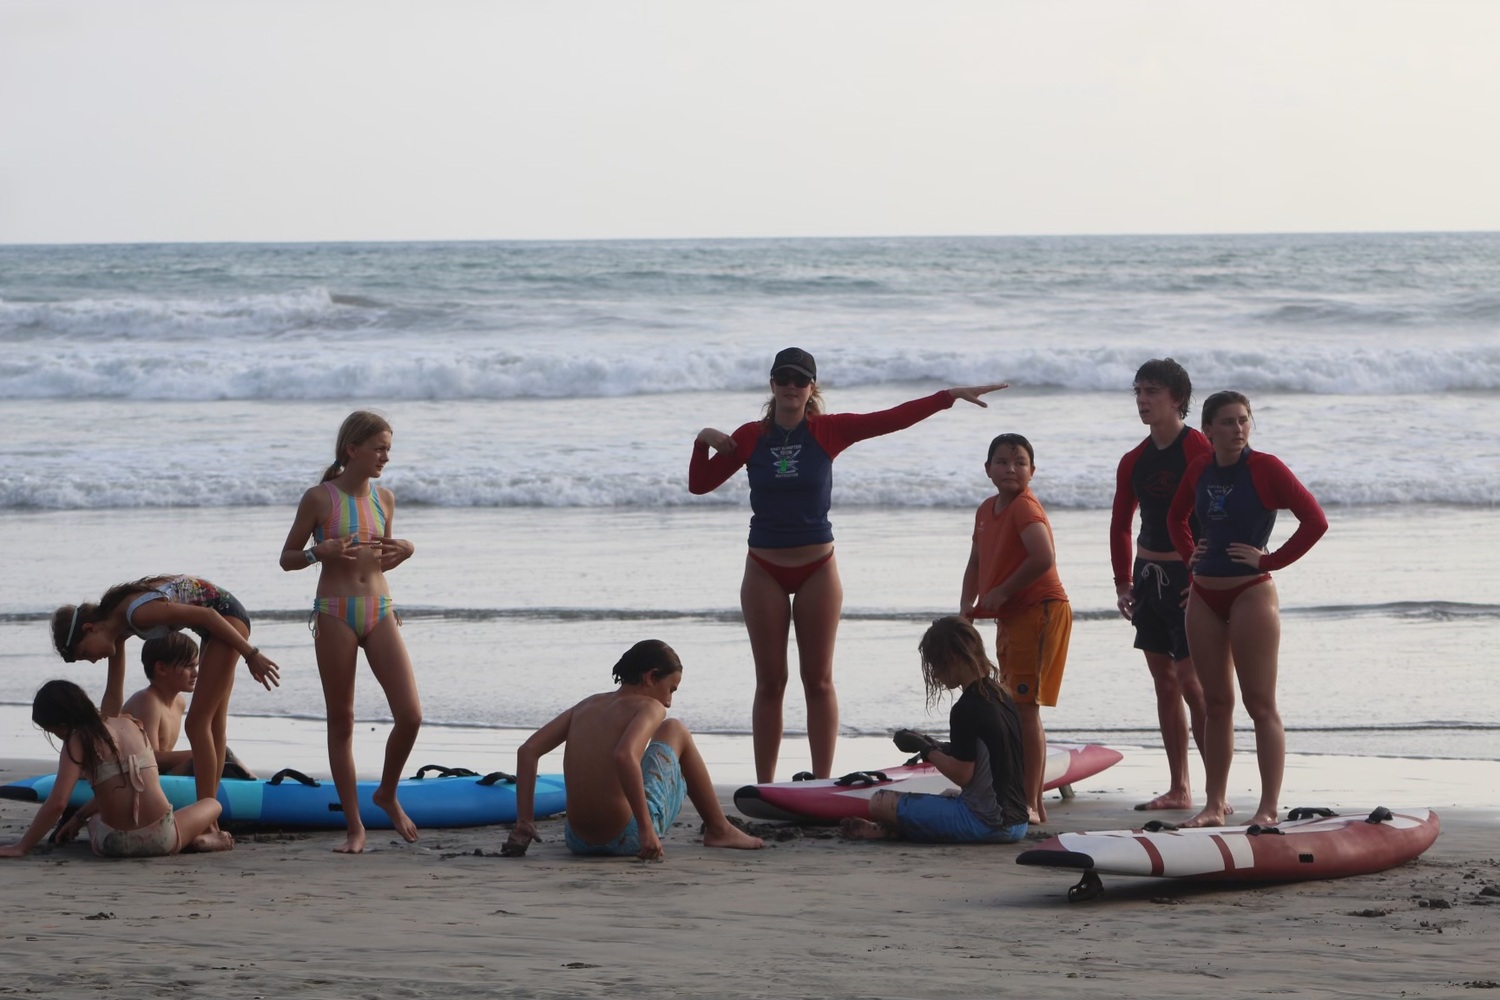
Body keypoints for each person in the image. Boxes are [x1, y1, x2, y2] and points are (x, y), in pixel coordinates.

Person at [689, 346, 1007, 782]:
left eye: (800, 380)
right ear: (772, 385)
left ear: (811, 388)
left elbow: (891, 418)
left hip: (818, 567)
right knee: (771, 682)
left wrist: (947, 395)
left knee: (818, 681)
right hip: (763, 568)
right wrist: (703, 439)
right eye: (784, 378)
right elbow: (699, 485)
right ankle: (765, 785)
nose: (791, 387)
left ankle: (821, 782)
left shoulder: (829, 431)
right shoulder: (749, 437)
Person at [1168, 390, 1327, 829]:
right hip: (1203, 594)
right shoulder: (1199, 467)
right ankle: (1214, 805)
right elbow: (1174, 517)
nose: (1238, 429)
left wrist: (1269, 560)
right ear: (1208, 430)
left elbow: (1315, 521)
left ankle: (1267, 807)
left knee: (1260, 704)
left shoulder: (1266, 468)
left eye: (1244, 420)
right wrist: (1189, 556)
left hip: (1251, 593)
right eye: (1228, 422)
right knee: (1216, 702)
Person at [279, 410, 422, 853]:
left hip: (380, 608)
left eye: (388, 449)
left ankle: (387, 792)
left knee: (411, 714)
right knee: (342, 720)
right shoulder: (319, 499)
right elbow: (287, 557)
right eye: (378, 448)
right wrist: (316, 553)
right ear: (352, 449)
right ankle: (355, 828)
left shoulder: (386, 499)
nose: (385, 456)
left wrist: (408, 549)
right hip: (335, 613)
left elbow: (384, 557)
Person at [504, 639, 765, 860]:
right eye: (670, 690)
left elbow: (528, 751)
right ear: (651, 676)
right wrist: (645, 830)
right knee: (676, 729)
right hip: (626, 838)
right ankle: (719, 828)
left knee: (648, 744)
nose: (669, 701)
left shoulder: (585, 705)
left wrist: (525, 820)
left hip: (577, 841)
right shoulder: (650, 707)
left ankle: (716, 828)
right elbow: (623, 756)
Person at [50, 574, 280, 819]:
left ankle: (208, 816)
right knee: (213, 723)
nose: (94, 660)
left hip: (225, 619)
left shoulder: (137, 613)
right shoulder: (119, 628)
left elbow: (209, 615)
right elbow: (113, 696)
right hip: (218, 625)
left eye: (86, 653)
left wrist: (251, 654)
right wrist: (98, 746)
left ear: (90, 628)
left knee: (197, 723)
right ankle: (210, 811)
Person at [1109, 358, 1212, 811]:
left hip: (1188, 580)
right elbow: (1119, 525)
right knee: (1164, 683)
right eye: (1138, 392)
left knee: (1193, 682)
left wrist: (1203, 577)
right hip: (1148, 581)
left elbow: (1214, 515)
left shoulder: (1199, 450)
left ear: (1177, 399)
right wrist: (1122, 582)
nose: (1142, 401)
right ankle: (1179, 787)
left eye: (1151, 392)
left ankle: (1218, 789)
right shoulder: (1134, 459)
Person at [960, 433, 1071, 824]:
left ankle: (1031, 804)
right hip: (1011, 615)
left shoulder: (1025, 507)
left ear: (1032, 471)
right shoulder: (986, 510)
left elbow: (1043, 557)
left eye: (1020, 462)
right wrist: (965, 610)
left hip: (1039, 611)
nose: (1011, 469)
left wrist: (1003, 590)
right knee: (1013, 703)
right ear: (987, 469)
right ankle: (1021, 794)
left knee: (1025, 708)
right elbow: (976, 561)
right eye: (1003, 462)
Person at [841, 616, 1029, 843]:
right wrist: (939, 746)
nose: (936, 675)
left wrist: (926, 749)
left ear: (951, 657)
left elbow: (963, 775)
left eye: (934, 665)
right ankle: (901, 829)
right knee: (946, 796)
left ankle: (896, 829)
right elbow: (986, 754)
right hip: (1018, 824)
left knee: (879, 801)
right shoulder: (1002, 696)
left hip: (986, 823)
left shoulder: (965, 708)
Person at [0, 680, 230, 858]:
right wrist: (78, 818)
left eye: (53, 731)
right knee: (212, 804)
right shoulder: (132, 724)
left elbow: (58, 802)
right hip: (163, 839)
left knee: (96, 820)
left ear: (62, 723)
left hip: (113, 844)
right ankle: (204, 839)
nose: (58, 737)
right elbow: (125, 784)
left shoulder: (77, 740)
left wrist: (22, 846)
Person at [121, 633, 256, 779]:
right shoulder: (148, 701)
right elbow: (150, 758)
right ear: (161, 669)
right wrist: (201, 752)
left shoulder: (179, 702)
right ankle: (255, 788)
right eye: (188, 666)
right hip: (137, 776)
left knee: (218, 754)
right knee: (212, 754)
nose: (196, 674)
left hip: (159, 773)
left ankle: (254, 783)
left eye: (196, 666)